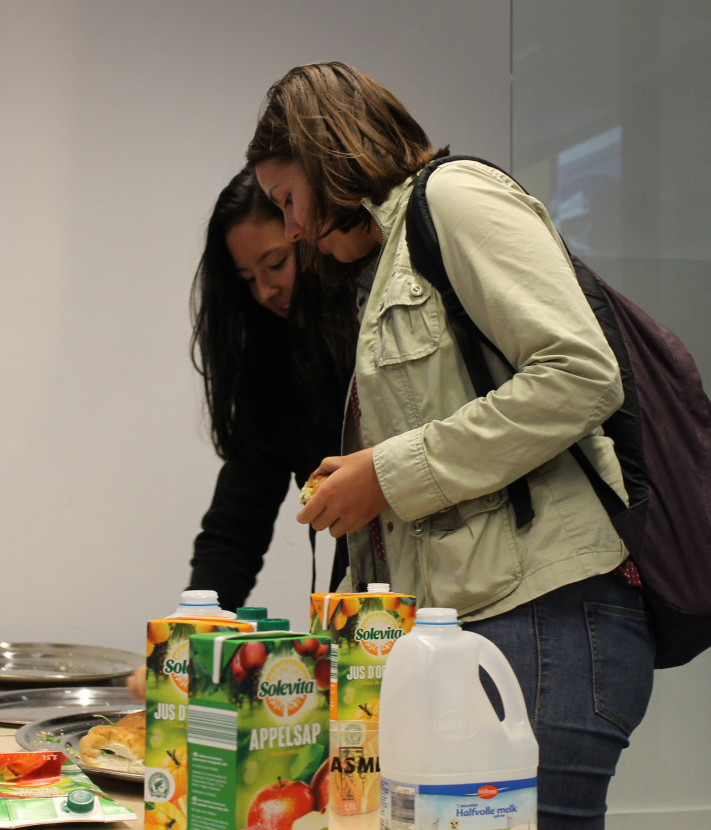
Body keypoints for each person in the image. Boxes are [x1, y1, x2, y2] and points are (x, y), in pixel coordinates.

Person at [246, 63, 655, 829]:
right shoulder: (387, 259)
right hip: (476, 628)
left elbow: (579, 375)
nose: (292, 228)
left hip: (547, 619)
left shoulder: (455, 198)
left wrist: (389, 475)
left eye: (288, 201)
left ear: (327, 154)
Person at [127, 167, 354, 700]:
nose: (266, 289)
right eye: (248, 278)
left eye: (275, 263)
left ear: (310, 234)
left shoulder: (378, 337)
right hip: (360, 610)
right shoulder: (272, 367)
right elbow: (236, 526)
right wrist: (188, 639)